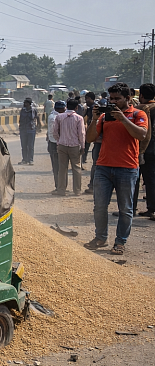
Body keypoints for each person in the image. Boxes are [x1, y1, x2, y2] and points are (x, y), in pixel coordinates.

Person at [84, 83, 148, 255]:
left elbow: (141, 135)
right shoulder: (105, 117)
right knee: (99, 206)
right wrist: (94, 119)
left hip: (127, 168)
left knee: (125, 209)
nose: (113, 102)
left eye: (117, 99)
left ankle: (120, 242)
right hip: (103, 167)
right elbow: (90, 138)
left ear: (128, 98)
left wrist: (122, 119)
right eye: (111, 98)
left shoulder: (138, 114)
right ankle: (100, 237)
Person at [52, 98, 86, 196]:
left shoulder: (59, 117)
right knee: (76, 168)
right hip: (74, 146)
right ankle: (77, 190)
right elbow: (81, 134)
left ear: (66, 106)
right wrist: (82, 146)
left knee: (62, 168)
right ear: (76, 107)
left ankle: (61, 190)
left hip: (62, 145)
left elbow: (55, 132)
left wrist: (59, 141)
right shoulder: (79, 118)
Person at [136, 83, 155, 218]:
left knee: (138, 180)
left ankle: (131, 207)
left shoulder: (140, 109)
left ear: (141, 95)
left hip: (144, 150)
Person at [46, 101, 67, 189]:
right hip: (55, 144)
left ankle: (62, 186)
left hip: (57, 143)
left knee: (62, 166)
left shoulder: (56, 116)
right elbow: (53, 133)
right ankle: (59, 186)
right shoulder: (54, 118)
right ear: (61, 109)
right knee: (57, 167)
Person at [18, 98, 41, 165]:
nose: (25, 104)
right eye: (25, 103)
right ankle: (24, 159)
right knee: (24, 145)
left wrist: (39, 126)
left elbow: (37, 117)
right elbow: (20, 119)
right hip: (23, 130)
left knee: (30, 146)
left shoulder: (33, 110)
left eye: (27, 103)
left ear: (29, 103)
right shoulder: (23, 110)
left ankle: (30, 160)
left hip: (31, 129)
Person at [82, 92, 97, 164]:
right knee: (86, 144)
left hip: (94, 128)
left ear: (90, 99)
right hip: (89, 127)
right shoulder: (89, 108)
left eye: (87, 99)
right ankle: (83, 158)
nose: (86, 101)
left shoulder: (95, 107)